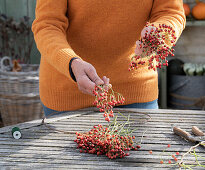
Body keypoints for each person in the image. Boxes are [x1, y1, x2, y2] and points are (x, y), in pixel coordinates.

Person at [32, 0, 186, 117]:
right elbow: (48, 25)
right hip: (67, 92)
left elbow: (171, 12)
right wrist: (71, 63)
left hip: (136, 92)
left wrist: (160, 33)